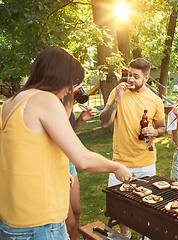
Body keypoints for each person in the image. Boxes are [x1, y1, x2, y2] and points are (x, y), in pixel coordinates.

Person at [0, 46, 131, 240]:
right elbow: (83, 159)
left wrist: (56, 171)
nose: (71, 90)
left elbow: (20, 153)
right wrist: (116, 167)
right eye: (72, 84)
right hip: (40, 224)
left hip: (12, 222)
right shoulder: (45, 100)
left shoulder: (11, 102)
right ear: (61, 77)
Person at [99, 58, 165, 238]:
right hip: (120, 163)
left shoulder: (155, 100)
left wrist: (155, 131)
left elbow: (162, 128)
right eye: (129, 75)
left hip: (146, 162)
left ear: (146, 78)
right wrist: (117, 99)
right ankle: (125, 234)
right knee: (120, 207)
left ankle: (144, 235)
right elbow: (104, 122)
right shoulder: (117, 92)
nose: (131, 80)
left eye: (136, 76)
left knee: (148, 204)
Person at [66, 95, 97, 240]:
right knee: (69, 222)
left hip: (69, 162)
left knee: (77, 211)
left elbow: (68, 134)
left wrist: (80, 120)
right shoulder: (54, 103)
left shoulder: (68, 103)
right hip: (58, 164)